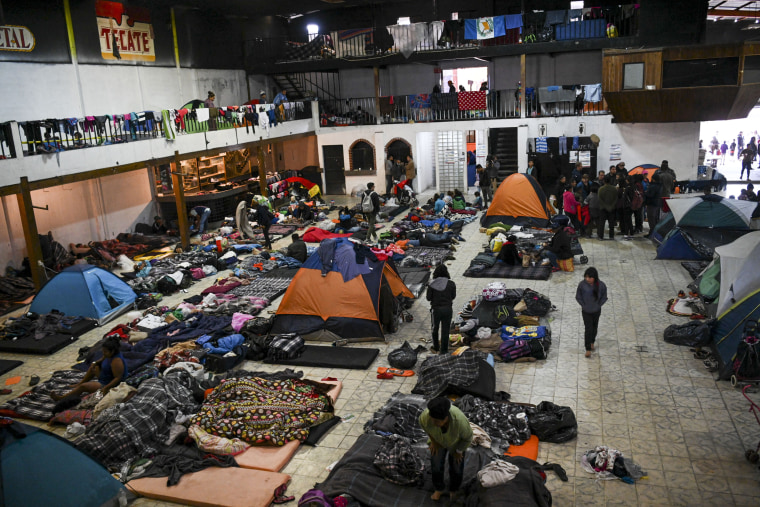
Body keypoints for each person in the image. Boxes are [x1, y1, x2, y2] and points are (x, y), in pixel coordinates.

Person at [419, 397, 473, 502]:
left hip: (456, 444)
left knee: (457, 467)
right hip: (438, 441)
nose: (433, 422)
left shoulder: (460, 421)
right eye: (432, 419)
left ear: (445, 419)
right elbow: (426, 427)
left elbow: (468, 438)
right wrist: (433, 441)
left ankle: (454, 489)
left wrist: (459, 451)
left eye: (436, 421)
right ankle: (439, 488)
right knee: (436, 465)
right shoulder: (425, 417)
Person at [51, 336, 127, 401]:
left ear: (112, 351)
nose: (103, 353)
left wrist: (106, 388)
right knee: (93, 366)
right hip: (105, 377)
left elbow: (118, 378)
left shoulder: (116, 361)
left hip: (109, 384)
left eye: (105, 351)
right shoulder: (108, 354)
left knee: (83, 387)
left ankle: (61, 398)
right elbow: (102, 359)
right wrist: (95, 363)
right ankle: (79, 383)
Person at [576, 267, 608, 358]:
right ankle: (588, 348)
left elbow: (604, 297)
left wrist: (598, 305)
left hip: (596, 311)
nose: (587, 279)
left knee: (594, 327)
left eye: (590, 277)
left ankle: (592, 342)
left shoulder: (601, 285)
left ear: (594, 277)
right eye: (586, 277)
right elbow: (578, 296)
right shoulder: (582, 285)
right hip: (586, 311)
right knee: (588, 328)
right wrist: (584, 305)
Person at [426, 265, 456, 355]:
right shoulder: (451, 283)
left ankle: (436, 347)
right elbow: (453, 296)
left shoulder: (432, 284)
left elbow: (428, 298)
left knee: (435, 328)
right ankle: (444, 350)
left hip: (436, 310)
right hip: (448, 309)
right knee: (445, 330)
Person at [598, 175, 618, 240]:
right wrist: (611, 206)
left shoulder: (601, 189)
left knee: (601, 223)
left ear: (604, 181)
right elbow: (616, 199)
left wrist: (605, 206)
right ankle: (611, 236)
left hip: (603, 209)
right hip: (612, 208)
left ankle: (601, 236)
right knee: (611, 223)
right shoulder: (614, 189)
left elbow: (600, 199)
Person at [645, 173, 663, 237]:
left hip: (652, 204)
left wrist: (646, 193)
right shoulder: (660, 185)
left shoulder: (653, 186)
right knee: (655, 218)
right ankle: (654, 232)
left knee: (651, 218)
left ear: (653, 179)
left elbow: (650, 195)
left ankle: (652, 233)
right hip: (658, 203)